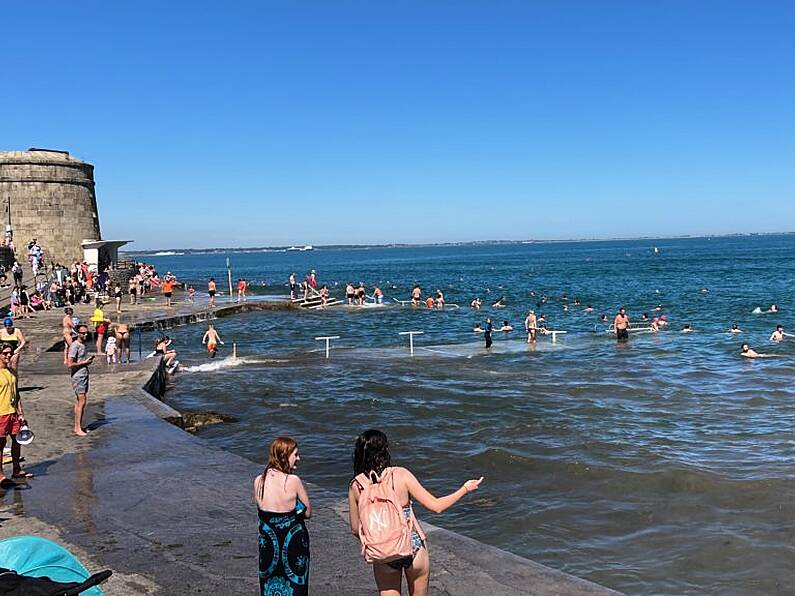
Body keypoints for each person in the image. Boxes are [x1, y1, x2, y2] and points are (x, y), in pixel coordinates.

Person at [348, 430, 482, 596]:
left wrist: (380, 538)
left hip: (383, 554)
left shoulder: (357, 485)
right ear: (385, 450)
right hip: (413, 548)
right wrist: (465, 489)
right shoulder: (401, 475)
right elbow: (436, 506)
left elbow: (355, 529)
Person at [254, 437, 311, 596]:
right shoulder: (293, 481)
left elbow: (263, 508)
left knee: (269, 584)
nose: (298, 458)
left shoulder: (259, 480)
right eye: (295, 455)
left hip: (269, 546)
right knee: (296, 585)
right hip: (292, 545)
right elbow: (308, 513)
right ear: (285, 456)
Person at [0, 345, 32, 483]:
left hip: (13, 413)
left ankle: (16, 469)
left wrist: (21, 413)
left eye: (10, 353)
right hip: (1, 413)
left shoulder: (12, 372)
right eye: (5, 353)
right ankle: (0, 475)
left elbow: (16, 394)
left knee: (17, 441)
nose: (8, 356)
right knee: (0, 445)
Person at [67, 325, 94, 437]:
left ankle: (78, 426)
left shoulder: (82, 345)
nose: (85, 335)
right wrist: (85, 363)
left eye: (86, 333)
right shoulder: (75, 346)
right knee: (82, 400)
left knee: (79, 401)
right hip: (78, 376)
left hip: (83, 374)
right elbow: (70, 364)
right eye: (83, 333)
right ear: (78, 333)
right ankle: (77, 427)